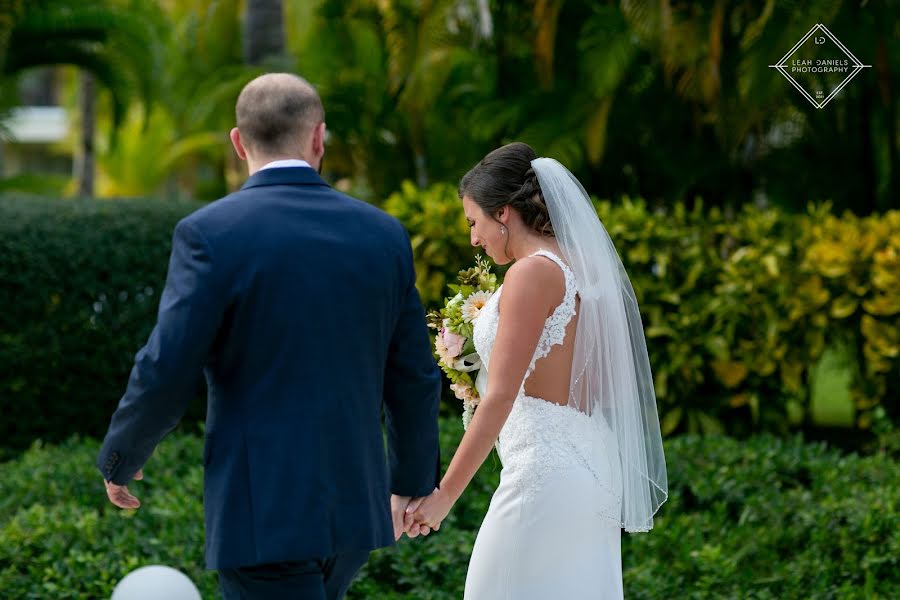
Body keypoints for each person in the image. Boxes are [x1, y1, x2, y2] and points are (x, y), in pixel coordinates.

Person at [95, 73, 441, 600]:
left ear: (238, 142)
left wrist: (124, 455)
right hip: (353, 510)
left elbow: (167, 365)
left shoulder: (210, 233)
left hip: (263, 514)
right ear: (319, 137)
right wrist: (411, 483)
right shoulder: (383, 234)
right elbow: (413, 374)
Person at [409, 142, 668, 599]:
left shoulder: (531, 274)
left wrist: (444, 495)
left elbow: (503, 396)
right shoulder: (583, 270)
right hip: (591, 471)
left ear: (504, 213)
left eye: (474, 222)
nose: (473, 238)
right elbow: (595, 387)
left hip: (542, 479)